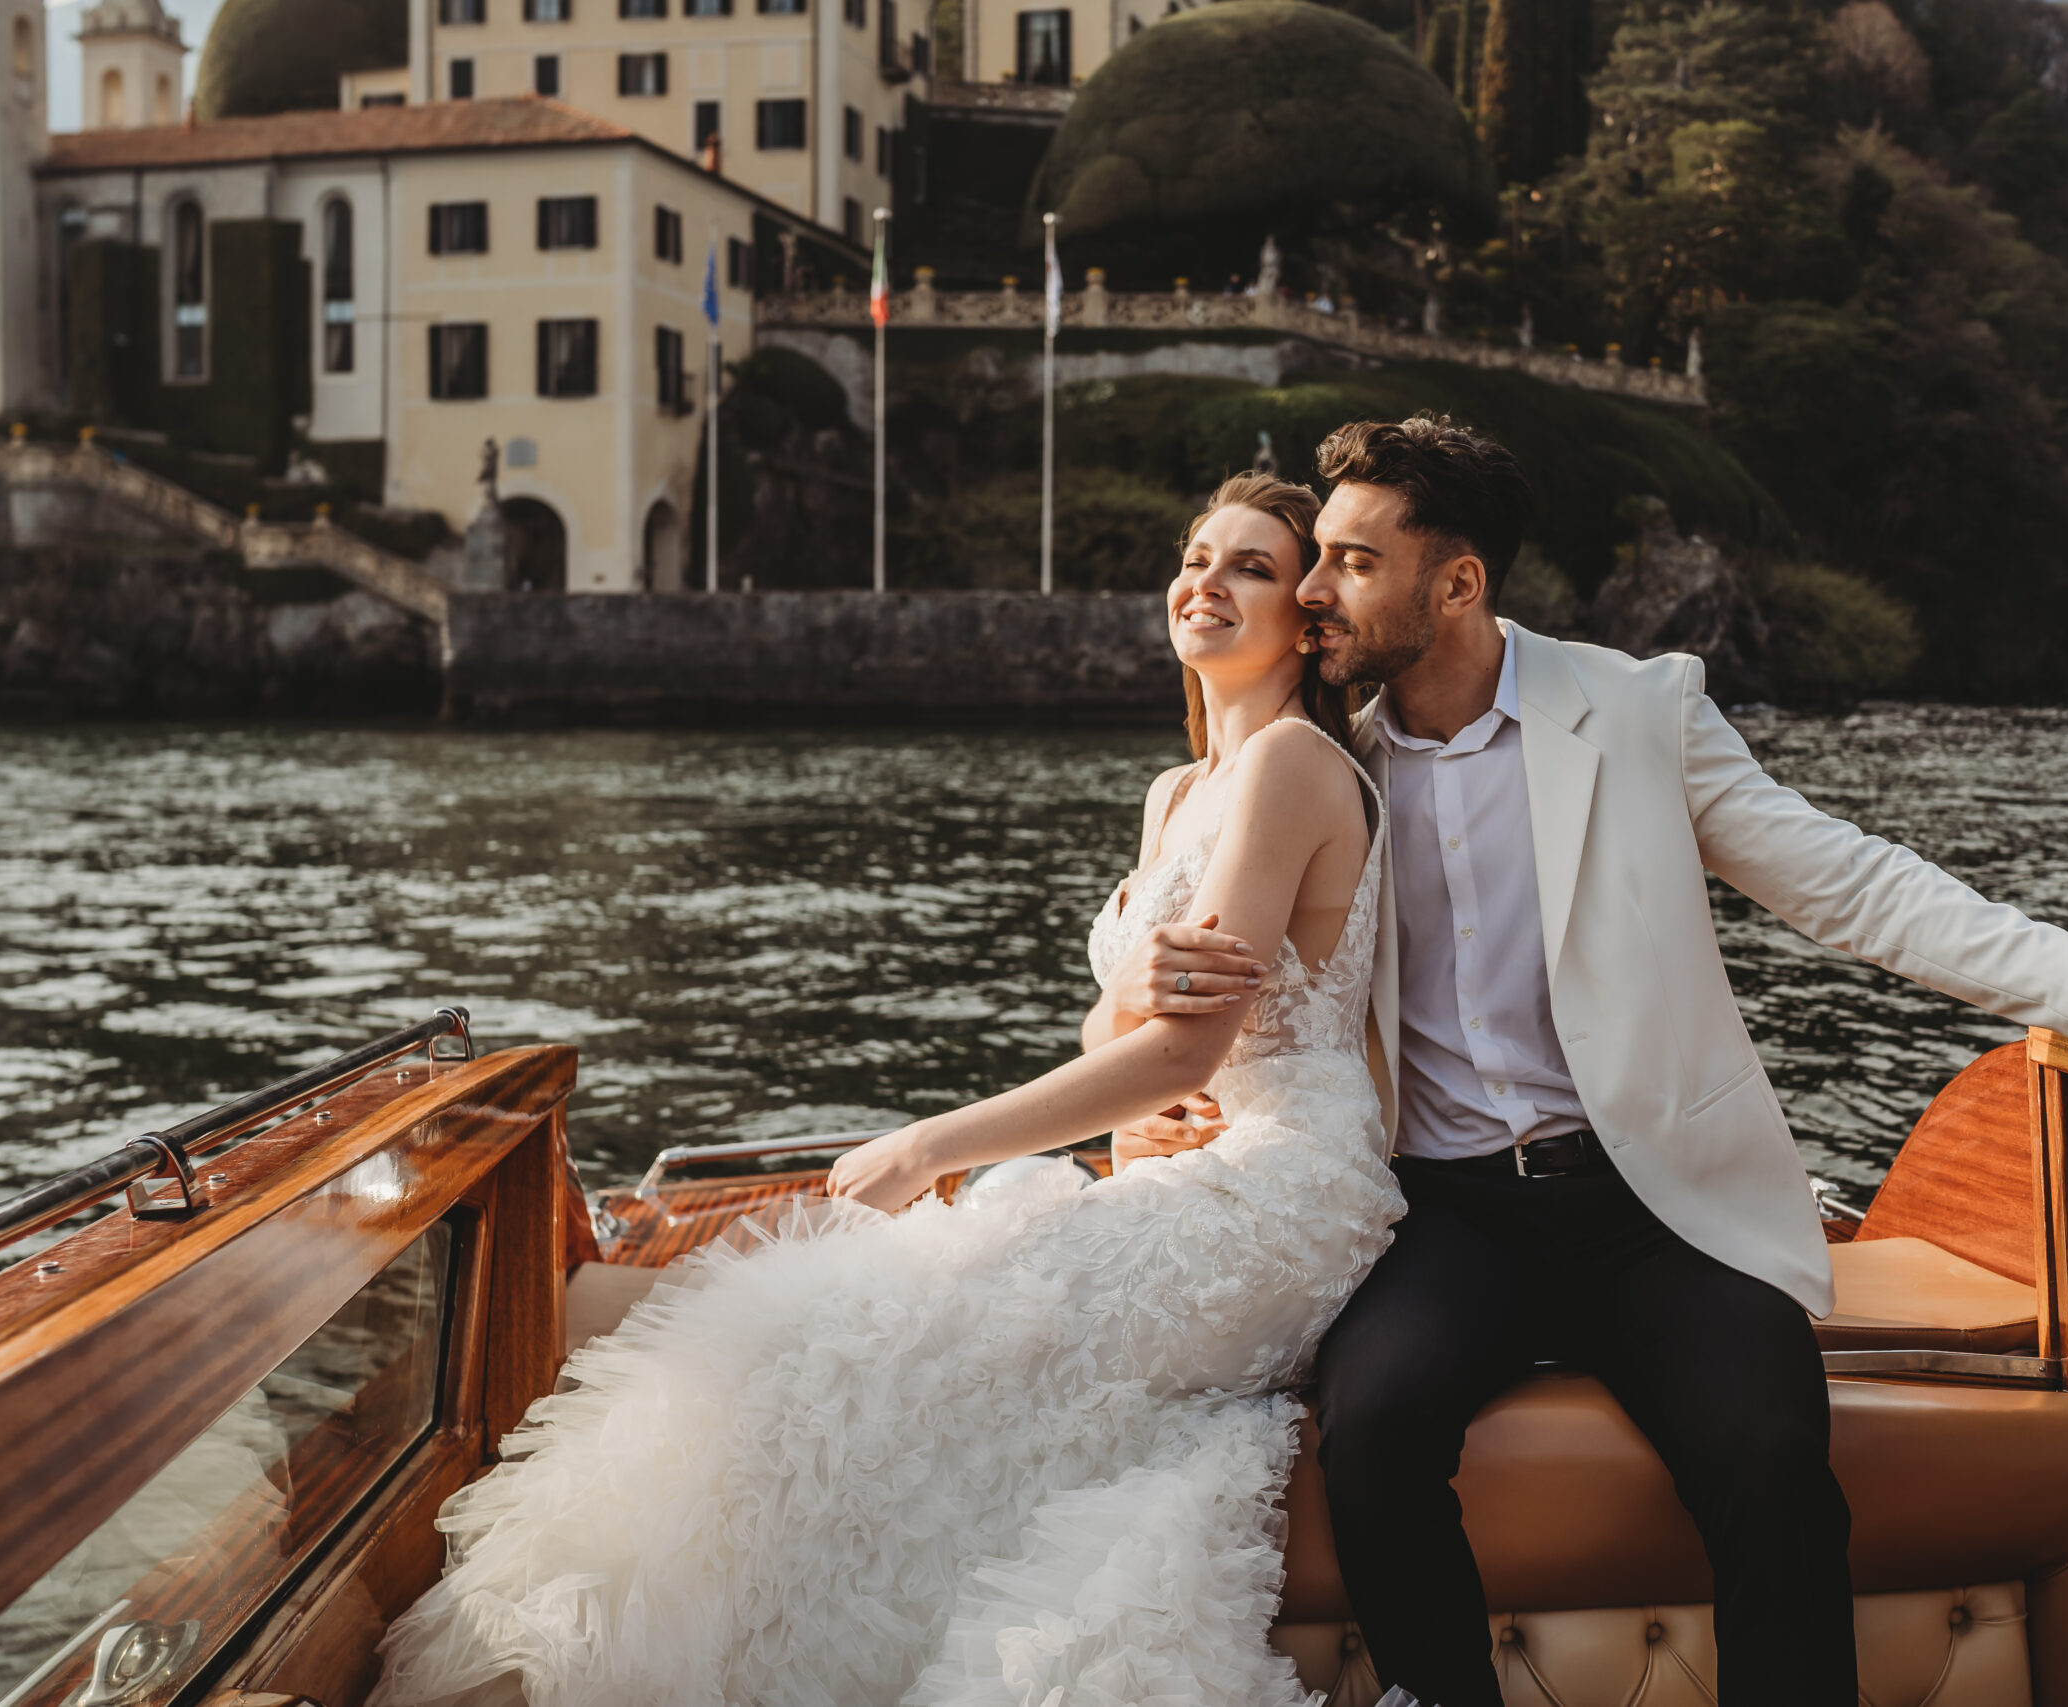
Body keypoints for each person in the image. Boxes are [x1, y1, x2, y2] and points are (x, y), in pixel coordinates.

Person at [1114, 415, 2068, 1706]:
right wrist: (1176, 1101)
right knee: (1373, 1435)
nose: (1310, 588)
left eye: (1351, 561)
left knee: (1769, 1448)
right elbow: (1256, 990)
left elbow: (1853, 885)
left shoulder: (1638, 710)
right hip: (1443, 1204)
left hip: (1653, 1203)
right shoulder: (1323, 760)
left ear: (1458, 582)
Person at [367, 471, 1403, 1707]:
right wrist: (1128, 1102)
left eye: (1250, 567)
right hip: (1184, 1160)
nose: (1206, 582)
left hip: (1285, 1186)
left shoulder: (1292, 762)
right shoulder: (1174, 794)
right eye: (1194, 556)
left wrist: (927, 1143)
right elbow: (1121, 1021)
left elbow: (1186, 1049)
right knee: (848, 1341)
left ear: (1308, 619)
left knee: (863, 1331)